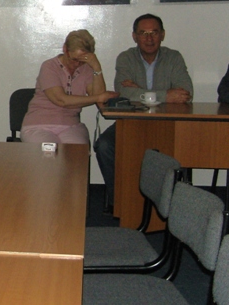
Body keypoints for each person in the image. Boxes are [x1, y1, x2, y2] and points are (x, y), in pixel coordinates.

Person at [94, 14, 193, 211]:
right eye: (143, 33)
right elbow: (123, 92)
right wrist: (165, 95)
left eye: (154, 32)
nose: (149, 38)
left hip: (167, 124)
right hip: (131, 122)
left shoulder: (174, 57)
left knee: (180, 146)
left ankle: (171, 205)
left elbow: (185, 93)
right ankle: (119, 201)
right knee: (104, 145)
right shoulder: (126, 58)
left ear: (162, 35)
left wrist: (140, 91)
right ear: (135, 36)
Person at [21, 30, 118, 145]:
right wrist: (98, 98)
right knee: (49, 152)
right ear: (65, 49)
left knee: (76, 152)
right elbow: (61, 100)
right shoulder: (49, 66)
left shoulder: (86, 68)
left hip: (71, 126)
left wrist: (96, 67)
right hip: (39, 125)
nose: (77, 64)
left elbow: (99, 97)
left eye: (82, 61)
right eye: (74, 59)